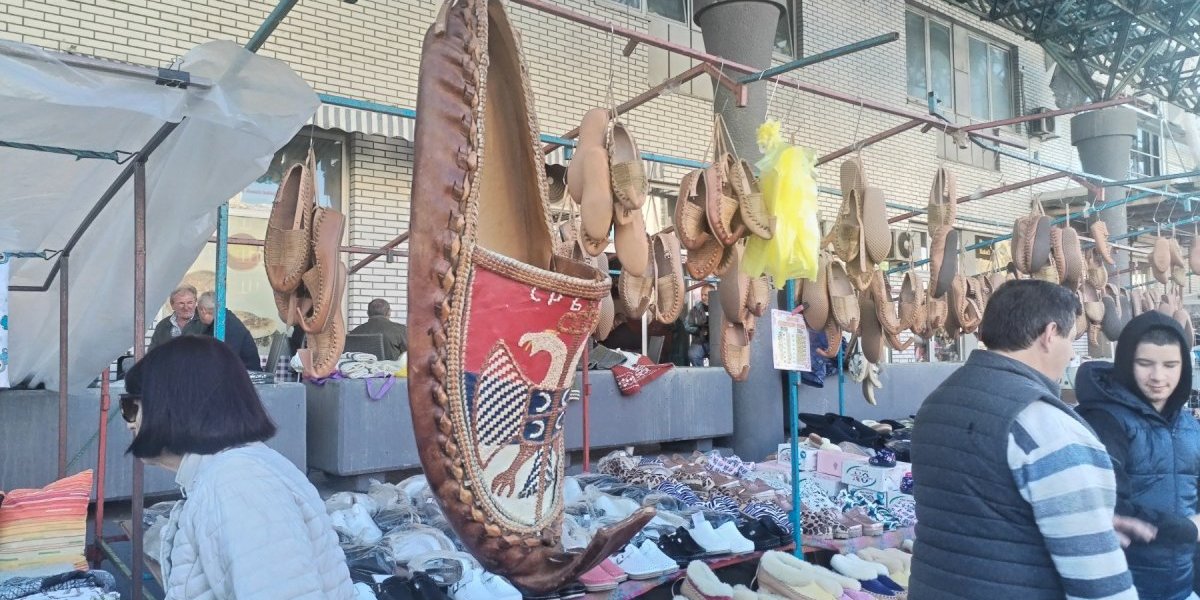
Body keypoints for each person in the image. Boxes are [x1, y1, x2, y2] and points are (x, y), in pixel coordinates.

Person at [910, 279, 1149, 600]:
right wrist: (1087, 531)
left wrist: (1087, 521)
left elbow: (979, 510)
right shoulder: (1044, 422)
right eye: (1070, 340)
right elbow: (1099, 584)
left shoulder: (937, 402)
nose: (1071, 354)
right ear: (1050, 334)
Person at [122, 336, 355, 599]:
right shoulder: (230, 474)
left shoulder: (238, 484)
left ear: (174, 406)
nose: (129, 423)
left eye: (131, 407)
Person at [1075, 311, 1200, 600]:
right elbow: (1108, 506)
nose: (1158, 377)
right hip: (1123, 587)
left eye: (1170, 365)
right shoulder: (1103, 421)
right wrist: (1186, 529)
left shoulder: (1190, 427)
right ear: (1127, 363)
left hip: (1181, 587)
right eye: (1145, 364)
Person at [195, 291, 263, 372]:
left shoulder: (226, 324)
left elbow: (223, 360)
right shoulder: (223, 319)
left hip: (245, 374)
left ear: (203, 310)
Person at [148, 285, 203, 350]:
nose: (186, 307)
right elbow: (152, 352)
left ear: (195, 302)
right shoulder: (162, 326)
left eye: (190, 303)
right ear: (172, 305)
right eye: (181, 303)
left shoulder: (205, 323)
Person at [685, 286, 714, 367]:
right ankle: (701, 372)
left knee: (720, 357)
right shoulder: (695, 309)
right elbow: (687, 325)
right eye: (702, 295)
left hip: (717, 342)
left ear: (713, 295)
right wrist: (698, 330)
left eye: (706, 295)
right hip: (700, 341)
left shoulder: (720, 307)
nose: (703, 297)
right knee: (693, 355)